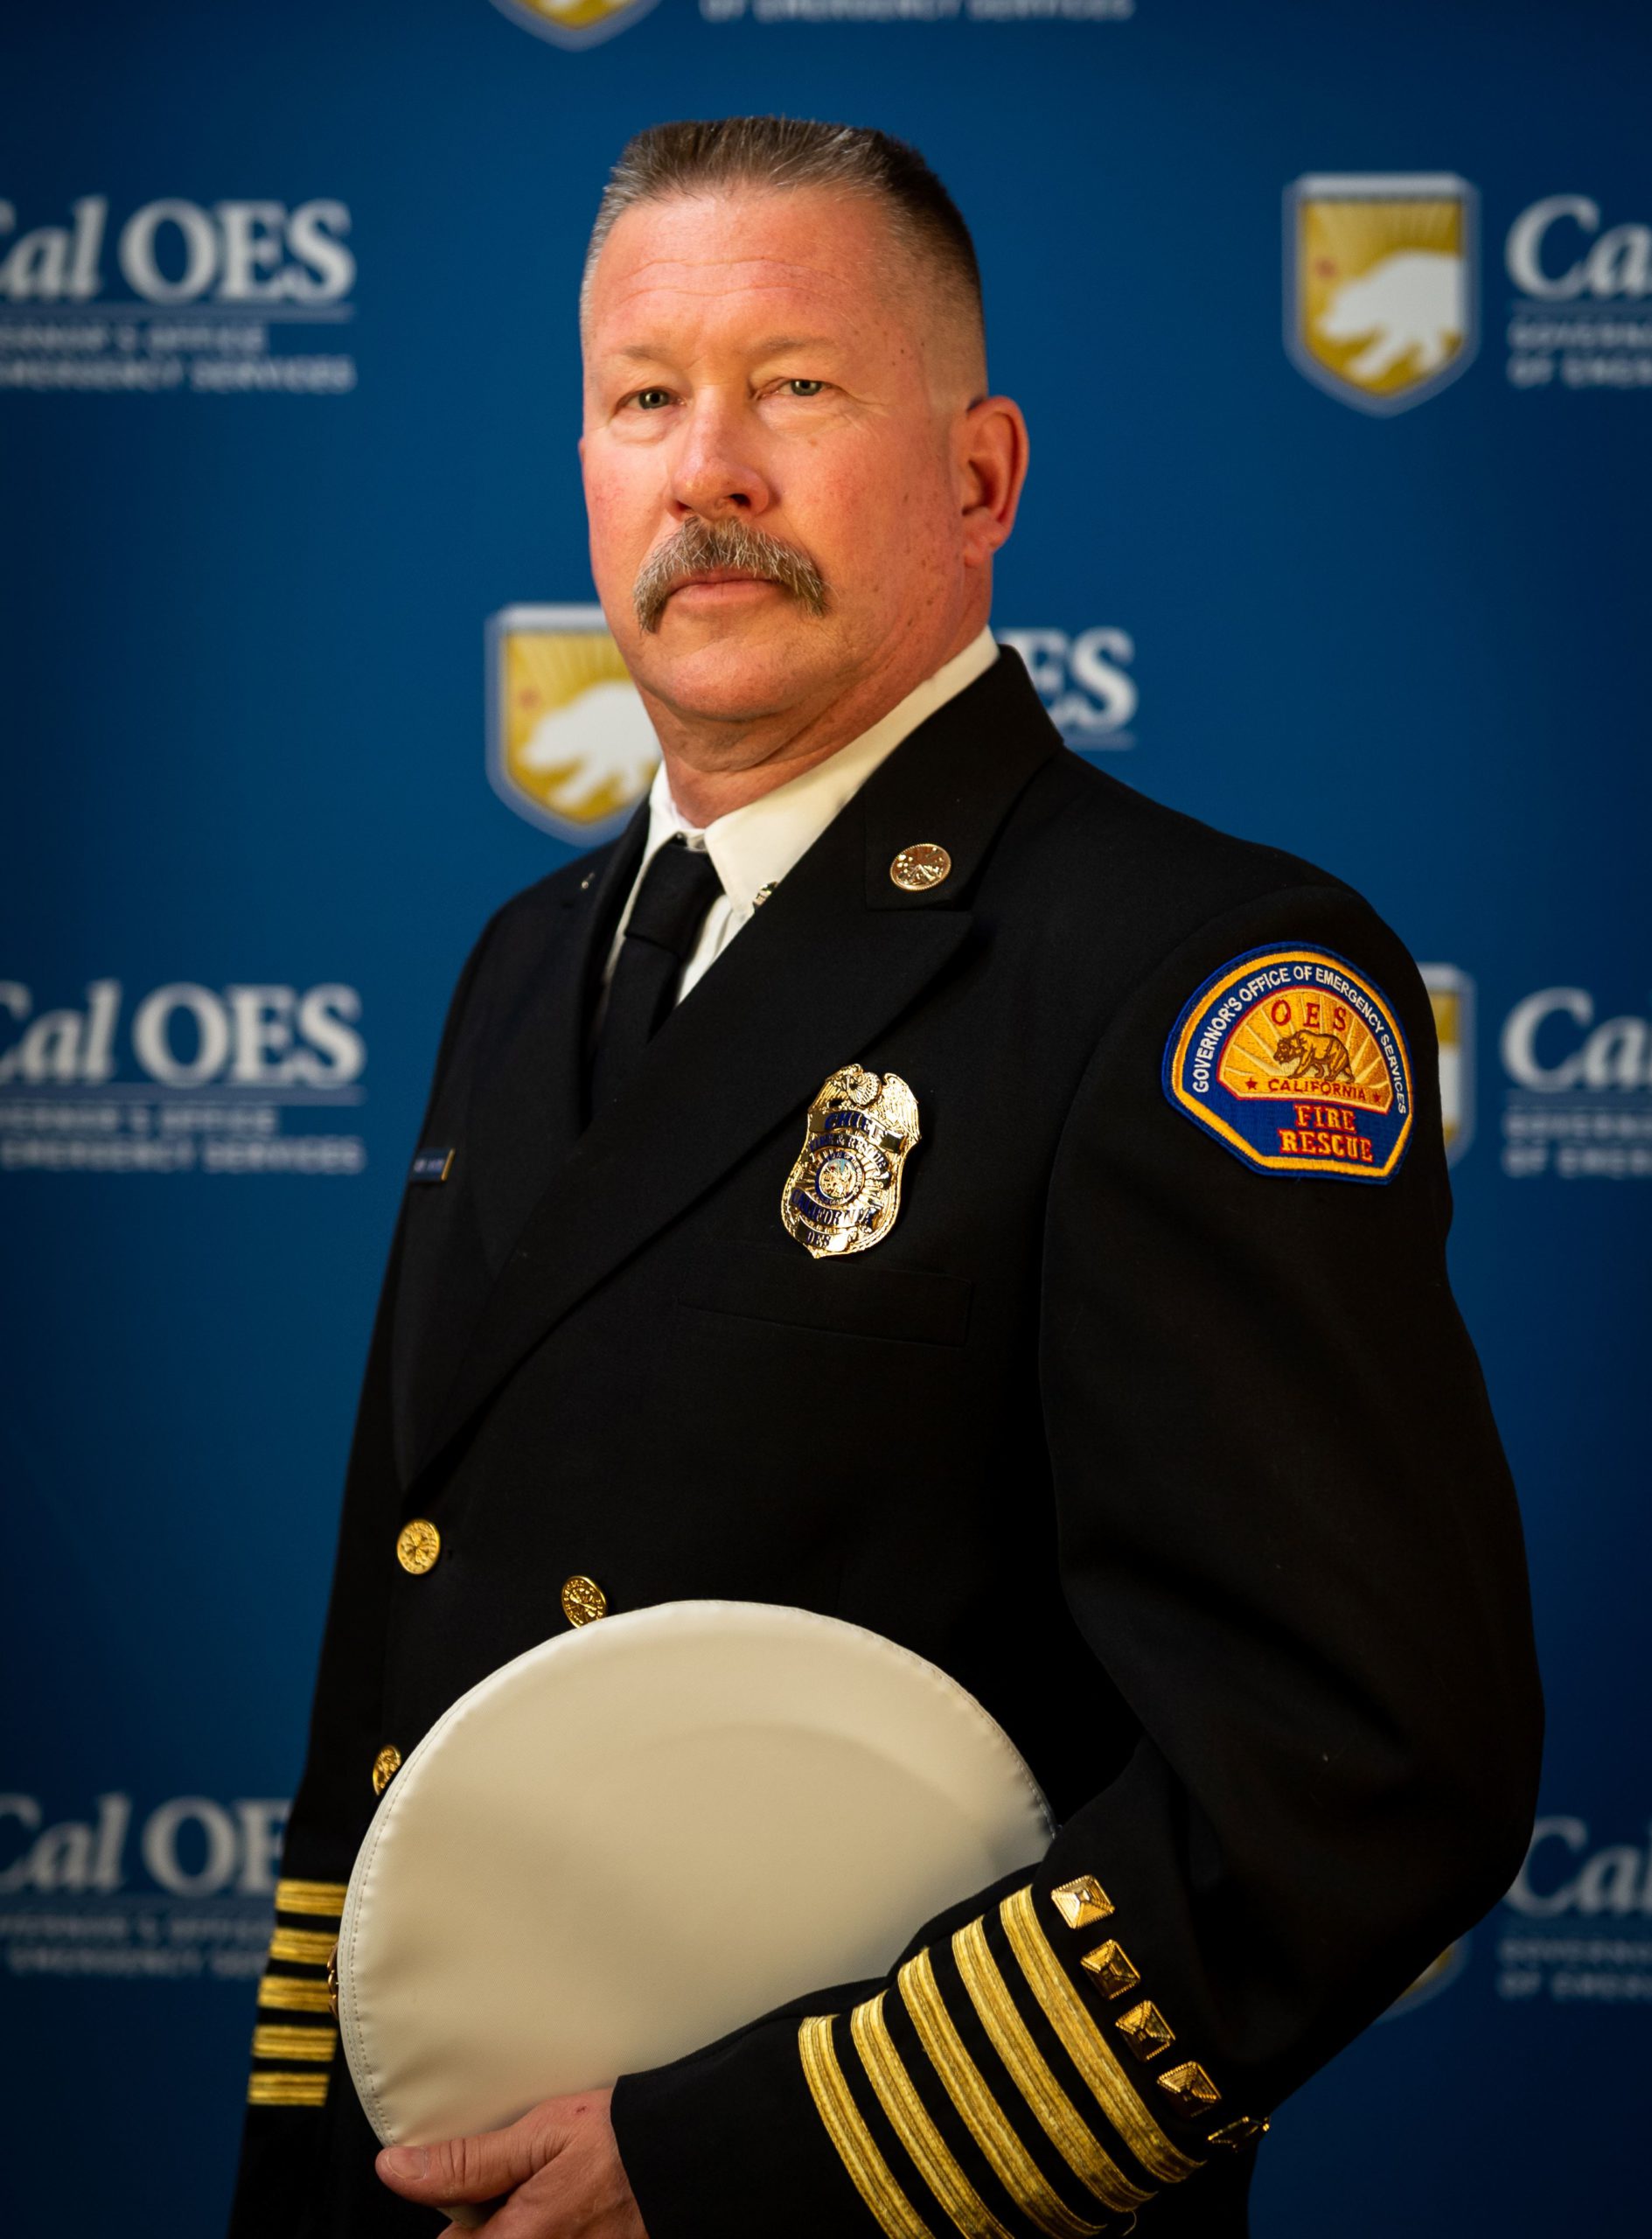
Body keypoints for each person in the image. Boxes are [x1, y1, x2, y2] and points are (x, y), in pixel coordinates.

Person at [227, 117, 1542, 2239]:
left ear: (982, 477)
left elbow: (1367, 1772)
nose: (710, 469)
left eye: (798, 386)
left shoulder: (1188, 974)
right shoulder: (524, 964)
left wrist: (734, 2155)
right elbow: (390, 1685)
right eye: (643, 398)